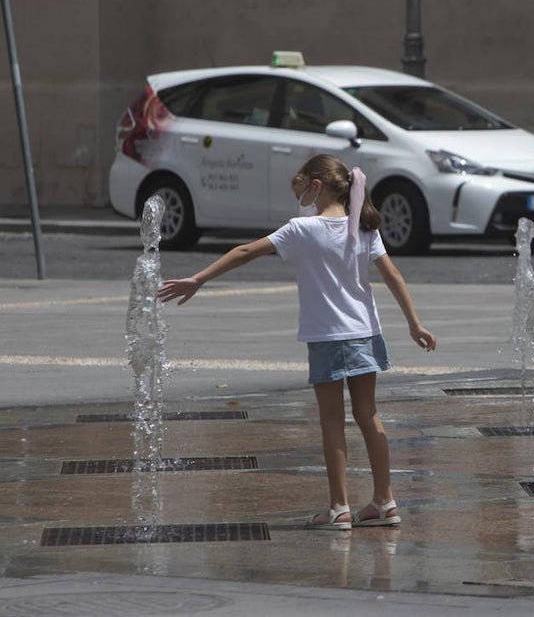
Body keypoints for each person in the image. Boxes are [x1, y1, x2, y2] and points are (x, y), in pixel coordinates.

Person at [158, 154, 436, 530]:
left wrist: (199, 278)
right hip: (367, 333)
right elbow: (394, 275)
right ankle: (385, 501)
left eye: (302, 188)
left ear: (316, 186)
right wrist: (414, 324)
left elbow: (245, 251)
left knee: (332, 421)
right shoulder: (366, 227)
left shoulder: (302, 229)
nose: (300, 196)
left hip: (327, 336)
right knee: (369, 416)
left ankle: (339, 507)